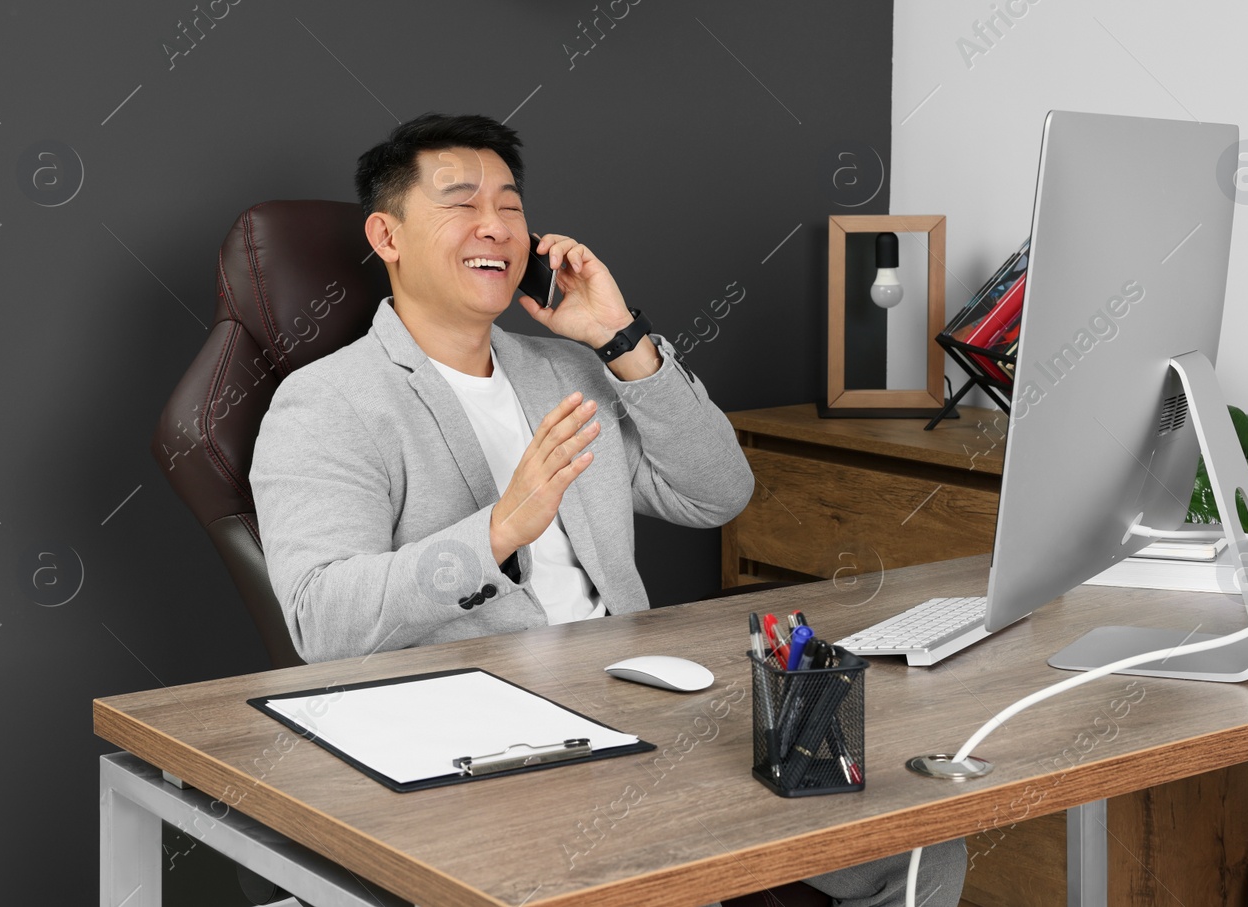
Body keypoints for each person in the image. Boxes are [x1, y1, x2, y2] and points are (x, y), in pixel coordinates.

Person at [248, 113, 964, 907]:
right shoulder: (325, 402)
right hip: (490, 746)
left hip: (639, 706)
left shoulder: (567, 371)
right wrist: (496, 531)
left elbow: (718, 490)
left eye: (511, 206)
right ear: (387, 234)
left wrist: (623, 340)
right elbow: (322, 619)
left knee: (918, 853)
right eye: (460, 202)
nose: (495, 226)